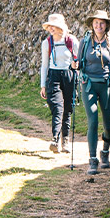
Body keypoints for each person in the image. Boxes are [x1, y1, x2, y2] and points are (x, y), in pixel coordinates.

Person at [75, 10, 110, 174]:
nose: (99, 26)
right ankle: (92, 160)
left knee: (108, 127)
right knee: (93, 119)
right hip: (89, 84)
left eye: (102, 23)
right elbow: (79, 63)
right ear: (92, 24)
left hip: (108, 86)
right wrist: (74, 65)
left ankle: (105, 151)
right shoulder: (85, 42)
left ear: (107, 25)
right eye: (96, 22)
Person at [40, 12, 78, 153]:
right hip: (53, 76)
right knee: (57, 107)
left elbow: (79, 59)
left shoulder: (71, 41)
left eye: (54, 26)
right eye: (50, 26)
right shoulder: (47, 43)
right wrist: (43, 85)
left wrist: (77, 65)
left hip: (69, 75)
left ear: (61, 27)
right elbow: (44, 65)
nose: (52, 29)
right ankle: (55, 138)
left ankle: (65, 141)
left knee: (67, 109)